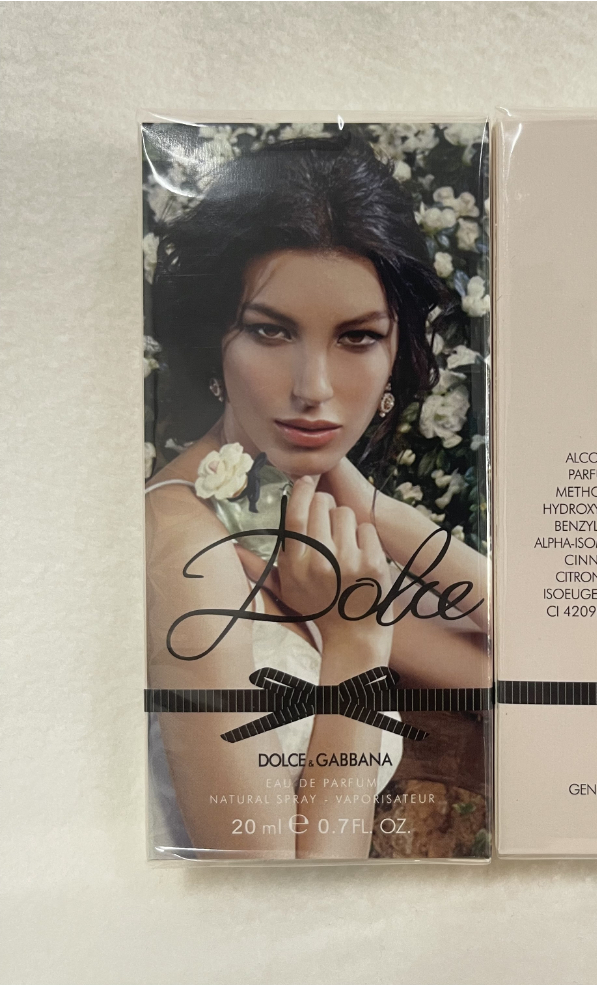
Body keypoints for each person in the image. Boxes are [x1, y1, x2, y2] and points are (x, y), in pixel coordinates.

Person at [144, 131, 490, 860]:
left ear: (396, 353)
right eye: (271, 332)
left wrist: (373, 510)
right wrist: (355, 644)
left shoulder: (286, 516)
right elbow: (281, 894)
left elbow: (531, 657)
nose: (315, 387)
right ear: (214, 342)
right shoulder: (186, 547)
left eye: (357, 338)